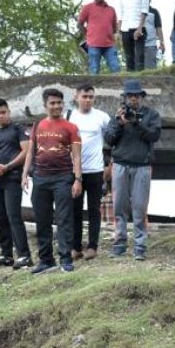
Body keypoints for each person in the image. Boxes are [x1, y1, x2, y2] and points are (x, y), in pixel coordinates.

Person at [22, 88, 84, 274]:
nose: (56, 106)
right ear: (45, 105)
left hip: (63, 178)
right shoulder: (37, 126)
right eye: (52, 103)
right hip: (40, 177)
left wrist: (78, 180)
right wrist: (25, 174)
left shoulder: (71, 127)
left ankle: (66, 259)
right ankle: (46, 260)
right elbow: (30, 151)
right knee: (42, 220)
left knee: (64, 219)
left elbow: (77, 157)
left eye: (59, 102)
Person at [105, 79, 163, 260]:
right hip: (120, 164)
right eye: (130, 96)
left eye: (136, 96)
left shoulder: (151, 114)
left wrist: (136, 123)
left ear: (141, 97)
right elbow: (109, 139)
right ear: (125, 98)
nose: (133, 99)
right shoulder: (117, 116)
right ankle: (120, 242)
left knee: (139, 207)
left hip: (142, 166)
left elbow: (154, 135)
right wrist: (120, 124)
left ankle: (140, 245)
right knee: (119, 206)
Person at [0, 99, 32, 269]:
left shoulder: (18, 129)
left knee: (14, 216)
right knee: (1, 216)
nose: (1, 116)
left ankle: (24, 255)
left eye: (3, 112)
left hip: (13, 177)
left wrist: (8, 166)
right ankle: (6, 255)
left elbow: (26, 151)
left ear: (8, 112)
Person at [68, 84, 111, 260]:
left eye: (91, 97)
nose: (87, 100)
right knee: (74, 210)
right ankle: (75, 247)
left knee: (94, 210)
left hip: (95, 169)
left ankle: (93, 246)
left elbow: (112, 139)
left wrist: (109, 164)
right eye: (84, 96)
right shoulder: (68, 116)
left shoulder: (102, 117)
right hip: (74, 171)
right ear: (76, 97)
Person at [77, 0, 120, 75]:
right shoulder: (88, 7)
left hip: (109, 44)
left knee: (115, 67)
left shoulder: (111, 10)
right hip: (93, 44)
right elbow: (79, 24)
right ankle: (92, 89)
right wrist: (88, 34)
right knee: (94, 69)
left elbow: (115, 29)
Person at [117, 0, 149, 72]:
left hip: (138, 28)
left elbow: (144, 10)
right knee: (128, 59)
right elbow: (121, 13)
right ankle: (130, 85)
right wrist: (118, 31)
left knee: (139, 58)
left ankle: (141, 84)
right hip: (125, 29)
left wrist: (140, 28)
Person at [143, 0, 166, 69]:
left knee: (151, 68)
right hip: (136, 44)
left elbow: (158, 28)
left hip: (151, 44)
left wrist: (162, 43)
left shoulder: (154, 11)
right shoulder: (134, 10)